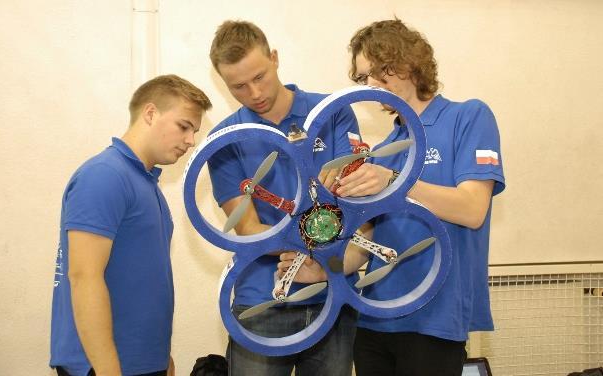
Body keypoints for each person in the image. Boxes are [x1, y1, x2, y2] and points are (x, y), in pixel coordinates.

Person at [279, 19, 506, 375]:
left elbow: (473, 209)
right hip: (374, 320)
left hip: (434, 319)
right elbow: (366, 238)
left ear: (408, 62)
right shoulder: (382, 152)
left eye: (378, 72)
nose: (370, 85)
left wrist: (395, 181)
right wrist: (325, 271)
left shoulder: (467, 117)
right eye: (363, 78)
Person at [207, 20, 361, 376]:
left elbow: (353, 201)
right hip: (261, 301)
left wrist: (313, 255)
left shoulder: (333, 111)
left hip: (332, 292)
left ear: (274, 58)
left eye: (259, 77)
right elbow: (248, 229)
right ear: (223, 83)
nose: (254, 93)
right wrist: (317, 240)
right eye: (239, 87)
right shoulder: (224, 139)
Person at [50, 75, 212, 376]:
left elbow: (144, 280)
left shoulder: (146, 183)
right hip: (102, 367)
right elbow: (84, 277)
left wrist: (162, 357)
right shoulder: (104, 175)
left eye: (195, 131)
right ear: (150, 114)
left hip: (143, 364)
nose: (191, 141)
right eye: (184, 126)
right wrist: (108, 370)